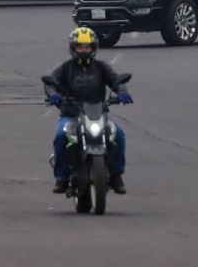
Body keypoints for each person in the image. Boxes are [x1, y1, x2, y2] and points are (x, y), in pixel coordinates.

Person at [45, 27, 132, 194]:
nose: (84, 50)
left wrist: (122, 92)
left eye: (87, 47)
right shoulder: (65, 67)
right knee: (61, 136)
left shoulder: (101, 67)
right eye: (80, 47)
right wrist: (53, 94)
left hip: (97, 115)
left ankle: (116, 174)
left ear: (93, 48)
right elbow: (50, 82)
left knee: (118, 134)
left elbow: (116, 80)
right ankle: (61, 177)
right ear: (73, 48)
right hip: (71, 115)